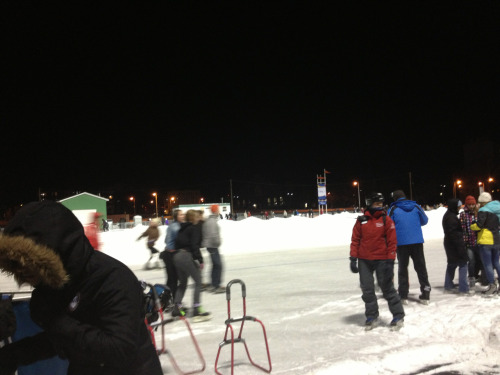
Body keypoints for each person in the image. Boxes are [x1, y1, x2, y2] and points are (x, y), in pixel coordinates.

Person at [0, 201, 163, 375]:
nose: (24, 275)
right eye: (16, 267)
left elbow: (119, 349)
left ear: (55, 252)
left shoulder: (112, 278)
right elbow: (64, 340)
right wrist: (14, 355)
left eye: (27, 265)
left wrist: (56, 321)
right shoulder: (55, 285)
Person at [349, 192, 405, 330]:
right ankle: (371, 316)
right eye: (376, 204)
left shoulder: (386, 220)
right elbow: (355, 240)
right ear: (370, 204)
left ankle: (398, 315)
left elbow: (392, 242)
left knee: (387, 288)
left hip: (382, 260)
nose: (379, 206)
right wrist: (353, 258)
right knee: (367, 290)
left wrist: (391, 259)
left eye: (381, 204)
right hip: (364, 261)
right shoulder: (361, 220)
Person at [388, 189, 431, 305]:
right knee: (421, 267)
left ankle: (403, 295)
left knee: (403, 269)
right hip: (417, 242)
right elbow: (425, 220)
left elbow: (388, 224)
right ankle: (426, 293)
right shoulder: (416, 206)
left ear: (395, 198)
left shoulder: (393, 209)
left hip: (401, 243)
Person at [172, 209, 211, 322]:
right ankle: (196, 309)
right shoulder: (193, 229)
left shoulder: (182, 228)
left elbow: (178, 243)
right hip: (185, 256)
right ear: (193, 218)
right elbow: (194, 246)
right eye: (197, 217)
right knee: (198, 281)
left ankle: (177, 307)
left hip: (177, 256)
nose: (199, 218)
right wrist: (200, 259)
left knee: (183, 283)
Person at [471, 192, 500, 296]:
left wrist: (472, 226)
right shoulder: (498, 208)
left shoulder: (483, 210)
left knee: (488, 264)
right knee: (496, 263)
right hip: (497, 239)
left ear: (482, 202)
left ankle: (492, 286)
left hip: (486, 240)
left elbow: (479, 225)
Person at [442, 198, 471, 294]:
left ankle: (448, 285)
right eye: (459, 206)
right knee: (463, 264)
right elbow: (454, 234)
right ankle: (464, 289)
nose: (460, 208)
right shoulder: (451, 218)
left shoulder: (450, 215)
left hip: (450, 243)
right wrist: (461, 247)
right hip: (455, 244)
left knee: (452, 264)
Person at [459, 195, 483, 288]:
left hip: (479, 241)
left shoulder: (479, 212)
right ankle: (472, 277)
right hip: (469, 242)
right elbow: (463, 228)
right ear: (466, 205)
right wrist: (464, 241)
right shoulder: (463, 214)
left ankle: (478, 276)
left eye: (473, 204)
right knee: (471, 261)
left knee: (480, 260)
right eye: (470, 205)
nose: (471, 206)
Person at [161, 209, 184, 298]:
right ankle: (174, 302)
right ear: (176, 217)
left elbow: (166, 240)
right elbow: (180, 242)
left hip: (168, 254)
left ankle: (166, 299)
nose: (183, 216)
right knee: (174, 279)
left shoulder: (172, 226)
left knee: (171, 279)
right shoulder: (176, 227)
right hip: (171, 255)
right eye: (181, 215)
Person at [202, 204, 225, 293]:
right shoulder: (212, 221)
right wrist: (218, 242)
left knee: (215, 265)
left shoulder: (210, 220)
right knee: (218, 265)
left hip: (211, 246)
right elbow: (213, 235)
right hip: (212, 246)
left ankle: (214, 284)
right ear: (215, 211)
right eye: (218, 210)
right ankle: (216, 285)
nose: (219, 211)